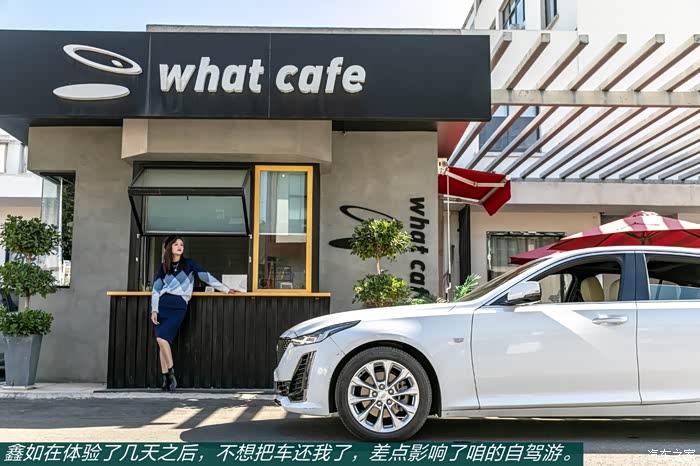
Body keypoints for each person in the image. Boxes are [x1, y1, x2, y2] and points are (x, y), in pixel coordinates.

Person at [151, 235, 236, 391]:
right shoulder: (164, 267)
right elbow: (156, 290)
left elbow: (206, 277)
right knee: (161, 341)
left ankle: (171, 373)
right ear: (169, 247)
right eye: (176, 244)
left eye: (181, 244)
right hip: (163, 305)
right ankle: (165, 379)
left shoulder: (189, 264)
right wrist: (154, 309)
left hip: (178, 305)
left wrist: (225, 289)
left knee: (162, 339)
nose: (179, 247)